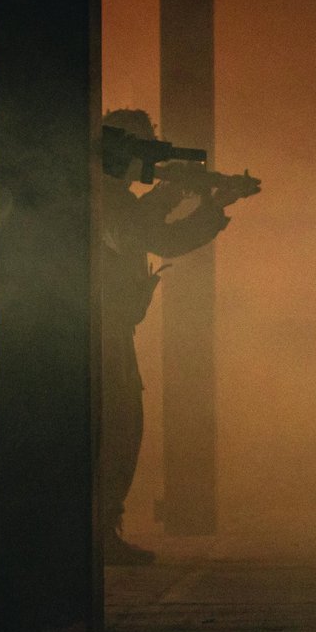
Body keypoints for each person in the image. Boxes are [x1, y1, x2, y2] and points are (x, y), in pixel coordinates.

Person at [97, 108, 257, 564]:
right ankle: (98, 533)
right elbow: (146, 237)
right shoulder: (104, 194)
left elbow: (139, 226)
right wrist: (203, 205)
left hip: (105, 327)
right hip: (99, 330)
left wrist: (195, 198)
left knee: (120, 428)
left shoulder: (109, 193)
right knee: (119, 428)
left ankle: (99, 532)